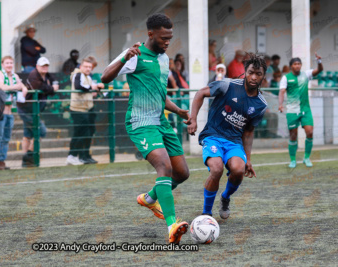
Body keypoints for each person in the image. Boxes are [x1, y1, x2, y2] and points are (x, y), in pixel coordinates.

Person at [101, 13, 191, 244]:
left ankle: (150, 198)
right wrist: (124, 58)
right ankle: (172, 225)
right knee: (164, 165)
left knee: (182, 173)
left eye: (170, 37)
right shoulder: (135, 54)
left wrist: (178, 110)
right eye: (163, 38)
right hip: (140, 123)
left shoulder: (164, 59)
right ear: (150, 34)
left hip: (161, 121)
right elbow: (105, 77)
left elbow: (160, 95)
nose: (167, 42)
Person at [187, 53, 268, 219]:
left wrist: (248, 159)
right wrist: (193, 119)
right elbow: (200, 93)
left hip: (234, 142)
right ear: (245, 71)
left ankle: (225, 198)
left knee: (238, 171)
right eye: (251, 72)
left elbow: (249, 132)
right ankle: (206, 214)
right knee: (216, 168)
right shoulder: (227, 85)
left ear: (263, 77)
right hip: (213, 135)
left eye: (258, 74)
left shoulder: (261, 104)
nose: (253, 77)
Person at [278, 53, 323, 168]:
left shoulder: (306, 74)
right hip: (292, 111)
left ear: (301, 65)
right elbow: (282, 92)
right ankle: (293, 160)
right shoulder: (286, 78)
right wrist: (280, 104)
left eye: (299, 64)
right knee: (293, 136)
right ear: (291, 66)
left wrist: (319, 62)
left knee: (310, 132)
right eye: (295, 64)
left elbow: (319, 70)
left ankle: (306, 158)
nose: (297, 66)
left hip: (305, 110)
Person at [18, 57, 59, 167]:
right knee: (42, 131)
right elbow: (45, 88)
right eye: (42, 66)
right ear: (37, 66)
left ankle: (25, 160)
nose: (44, 67)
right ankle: (29, 155)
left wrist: (54, 84)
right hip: (26, 109)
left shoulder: (47, 75)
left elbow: (54, 80)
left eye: (46, 65)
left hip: (34, 110)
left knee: (28, 134)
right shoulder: (33, 75)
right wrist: (53, 88)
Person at [66, 58, 103, 165]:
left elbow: (89, 89)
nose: (88, 69)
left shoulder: (87, 76)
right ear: (81, 67)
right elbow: (79, 86)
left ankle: (84, 155)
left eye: (90, 67)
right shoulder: (78, 74)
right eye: (86, 66)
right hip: (78, 109)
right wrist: (92, 87)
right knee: (81, 133)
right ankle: (73, 155)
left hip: (87, 109)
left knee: (88, 132)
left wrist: (96, 89)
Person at [0, 56, 27, 170]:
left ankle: (1, 161)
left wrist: (22, 87)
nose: (9, 65)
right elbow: (1, 86)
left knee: (6, 137)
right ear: (2, 64)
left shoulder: (15, 75)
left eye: (11, 63)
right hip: (0, 111)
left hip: (10, 111)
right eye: (7, 63)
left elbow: (23, 86)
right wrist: (15, 87)